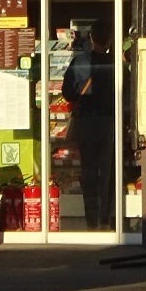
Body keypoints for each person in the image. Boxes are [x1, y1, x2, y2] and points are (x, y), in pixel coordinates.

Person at [61, 20, 115, 230]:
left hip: (86, 122)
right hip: (109, 122)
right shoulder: (114, 64)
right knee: (108, 172)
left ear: (91, 37)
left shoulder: (80, 62)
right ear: (109, 38)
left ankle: (90, 220)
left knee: (89, 171)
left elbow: (68, 93)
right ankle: (106, 219)